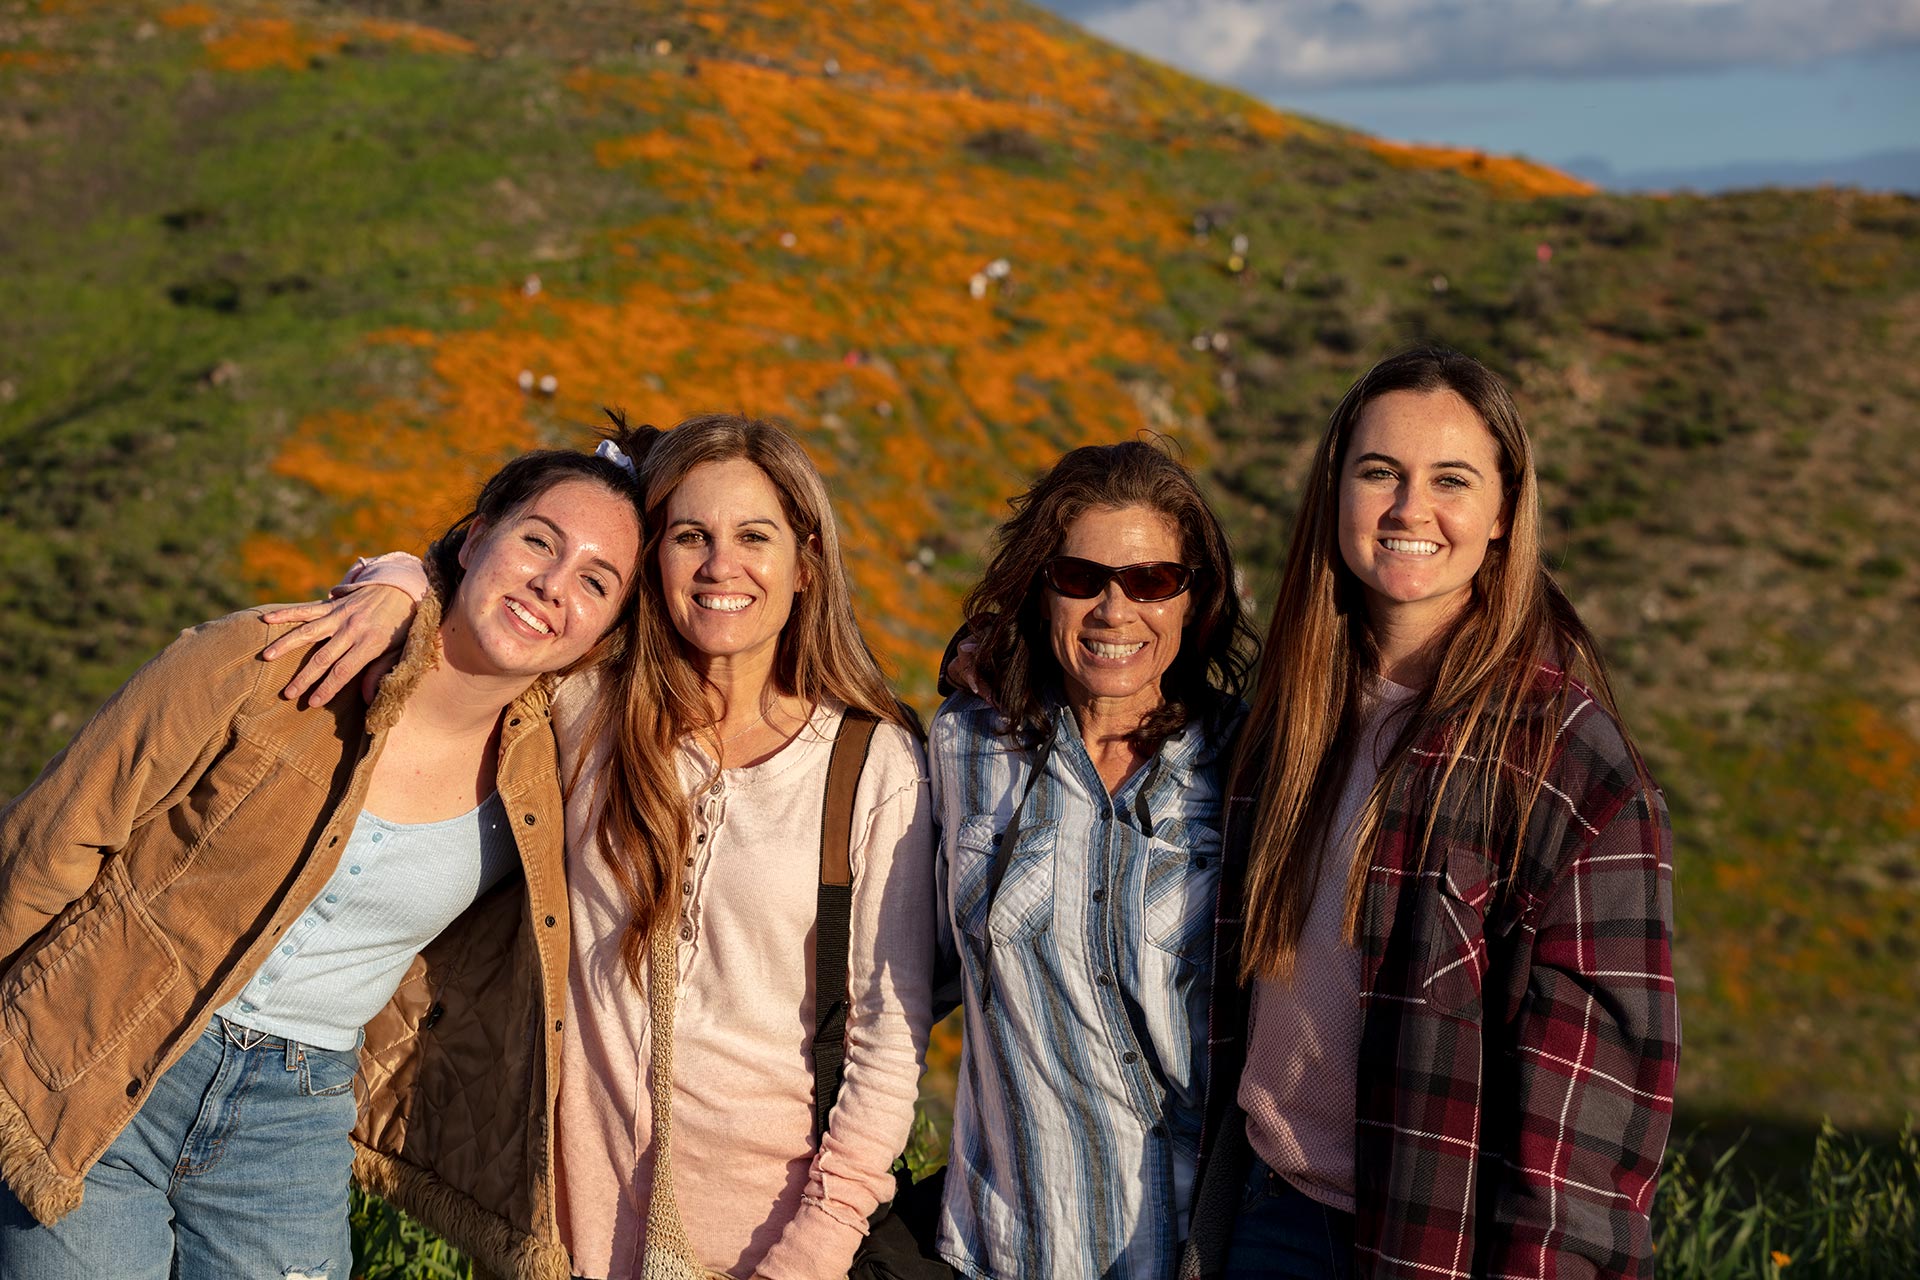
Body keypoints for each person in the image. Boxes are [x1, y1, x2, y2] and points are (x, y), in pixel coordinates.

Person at [276, 412, 936, 1280]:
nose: (720, 567)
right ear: (652, 559)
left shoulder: (868, 762)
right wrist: (401, 579)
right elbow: (494, 608)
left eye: (754, 537)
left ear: (806, 563)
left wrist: (810, 1253)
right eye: (689, 535)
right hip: (571, 1237)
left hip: (769, 1243)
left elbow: (888, 1042)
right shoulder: (588, 709)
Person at [0, 432, 652, 1280]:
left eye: (595, 582)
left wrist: (402, 582)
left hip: (292, 1119)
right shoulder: (265, 660)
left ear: (604, 632)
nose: (551, 586)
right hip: (102, 1049)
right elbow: (51, 844)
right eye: (538, 540)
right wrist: (401, 580)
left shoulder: (554, 772)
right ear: (476, 533)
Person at [1183, 347, 1678, 1280]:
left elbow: (1592, 1126)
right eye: (1380, 473)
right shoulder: (1283, 724)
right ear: (1336, 497)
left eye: (1451, 480)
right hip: (1261, 1215)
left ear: (1502, 515)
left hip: (1431, 1245)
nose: (1411, 509)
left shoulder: (1569, 766)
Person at [930, 440, 1256, 1280]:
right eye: (1081, 578)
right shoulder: (967, 747)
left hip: (1194, 1252)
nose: (1115, 609)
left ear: (1195, 601)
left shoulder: (1249, 768)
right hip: (1002, 1252)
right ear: (1044, 591)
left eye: (1151, 581)